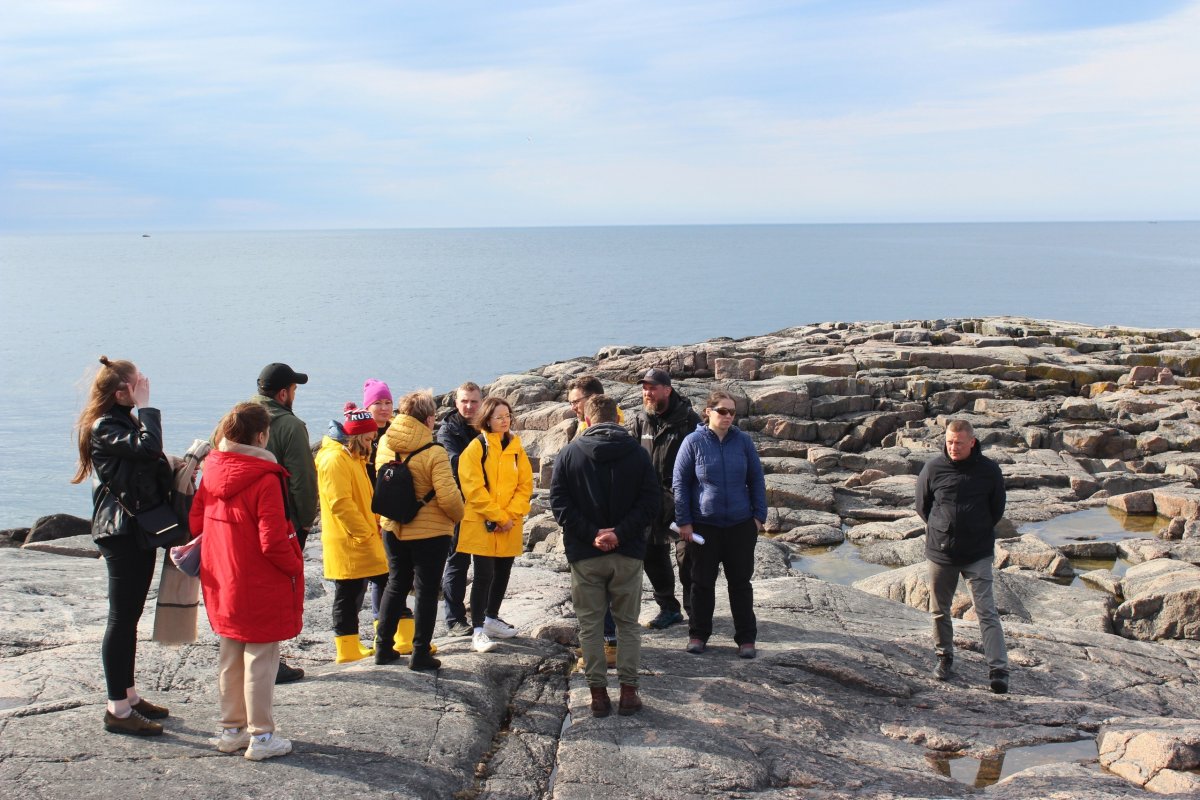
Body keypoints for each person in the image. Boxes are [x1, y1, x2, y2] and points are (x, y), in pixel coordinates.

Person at [190, 403, 303, 761]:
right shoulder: (265, 477)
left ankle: (231, 730)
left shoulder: (211, 470)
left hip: (221, 577)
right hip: (259, 580)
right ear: (261, 436)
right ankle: (262, 736)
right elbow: (272, 540)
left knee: (230, 655)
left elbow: (196, 522)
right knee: (261, 658)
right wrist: (294, 566)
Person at [72, 356, 173, 736]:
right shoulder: (105, 426)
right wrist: (147, 407)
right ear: (120, 392)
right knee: (121, 617)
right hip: (120, 532)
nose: (145, 384)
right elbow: (148, 448)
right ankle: (117, 708)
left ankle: (128, 695)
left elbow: (146, 461)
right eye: (137, 382)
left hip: (136, 529)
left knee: (130, 616)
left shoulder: (121, 421)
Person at [551, 395, 659, 717]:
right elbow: (650, 504)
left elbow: (560, 504)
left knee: (590, 626)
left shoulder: (569, 453)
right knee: (627, 625)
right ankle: (628, 693)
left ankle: (598, 696)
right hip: (627, 553)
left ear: (587, 420)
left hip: (585, 554)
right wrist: (619, 534)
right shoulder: (638, 454)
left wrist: (592, 534)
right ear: (618, 418)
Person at [915, 419, 1010, 694]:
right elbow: (922, 506)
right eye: (949, 442)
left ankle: (998, 670)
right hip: (941, 553)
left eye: (958, 443)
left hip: (978, 553)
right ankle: (944, 658)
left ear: (972, 442)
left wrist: (975, 530)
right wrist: (943, 528)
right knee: (939, 610)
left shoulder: (989, 470)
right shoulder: (933, 468)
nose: (953, 447)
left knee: (986, 611)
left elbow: (997, 509)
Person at [673, 390, 768, 659]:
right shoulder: (693, 441)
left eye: (732, 412)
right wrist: (684, 521)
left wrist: (758, 518)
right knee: (701, 583)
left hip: (740, 525)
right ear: (708, 412)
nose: (728, 416)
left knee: (740, 584)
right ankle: (698, 635)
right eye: (722, 411)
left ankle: (746, 639)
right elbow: (680, 483)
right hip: (704, 526)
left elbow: (756, 479)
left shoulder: (743, 441)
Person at [374, 391, 465, 670]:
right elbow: (448, 498)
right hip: (430, 532)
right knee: (426, 591)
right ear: (428, 419)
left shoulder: (385, 444)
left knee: (396, 583)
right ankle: (420, 653)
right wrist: (459, 515)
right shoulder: (434, 452)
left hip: (393, 526)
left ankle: (383, 648)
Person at [250, 362, 317, 684]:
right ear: (282, 394)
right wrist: (304, 522)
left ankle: (246, 655)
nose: (294, 394)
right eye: (293, 389)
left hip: (238, 521)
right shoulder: (290, 425)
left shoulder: (235, 416)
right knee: (275, 590)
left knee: (247, 589)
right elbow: (303, 479)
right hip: (278, 522)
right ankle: (271, 662)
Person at [456, 397, 534, 654]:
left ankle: (491, 618)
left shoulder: (516, 448)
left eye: (507, 416)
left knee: (503, 572)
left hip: (509, 523)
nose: (504, 420)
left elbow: (525, 485)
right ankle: (477, 629)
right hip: (483, 522)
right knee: (483, 575)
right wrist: (499, 517)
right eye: (499, 417)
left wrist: (509, 516)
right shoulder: (477, 447)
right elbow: (473, 488)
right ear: (487, 419)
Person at [316, 404, 389, 664]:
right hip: (349, 539)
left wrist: (374, 524)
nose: (371, 445)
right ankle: (348, 648)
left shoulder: (352, 458)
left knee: (362, 589)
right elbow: (341, 504)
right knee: (348, 592)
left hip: (361, 535)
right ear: (356, 437)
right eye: (368, 439)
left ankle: (376, 640)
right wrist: (364, 533)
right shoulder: (335, 460)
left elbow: (363, 498)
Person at [629, 368, 701, 629]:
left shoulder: (689, 420)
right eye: (644, 388)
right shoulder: (641, 420)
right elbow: (631, 456)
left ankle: (696, 611)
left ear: (667, 390)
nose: (647, 392)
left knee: (687, 557)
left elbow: (700, 462)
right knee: (652, 555)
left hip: (683, 501)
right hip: (650, 501)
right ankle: (669, 608)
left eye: (652, 388)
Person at [566, 375, 624, 663]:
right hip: (586, 526)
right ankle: (599, 640)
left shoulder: (617, 428)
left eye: (576, 402)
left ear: (592, 400)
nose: (573, 407)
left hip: (608, 525)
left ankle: (609, 643)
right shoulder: (582, 426)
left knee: (604, 588)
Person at [437, 381, 483, 637]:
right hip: (460, 503)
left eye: (474, 401)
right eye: (464, 401)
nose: (469, 406)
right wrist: (485, 461)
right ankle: (454, 619)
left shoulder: (487, 426)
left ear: (481, 403)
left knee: (486, 564)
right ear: (456, 403)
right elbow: (453, 463)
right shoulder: (447, 431)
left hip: (487, 503)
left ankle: (484, 615)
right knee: (458, 561)